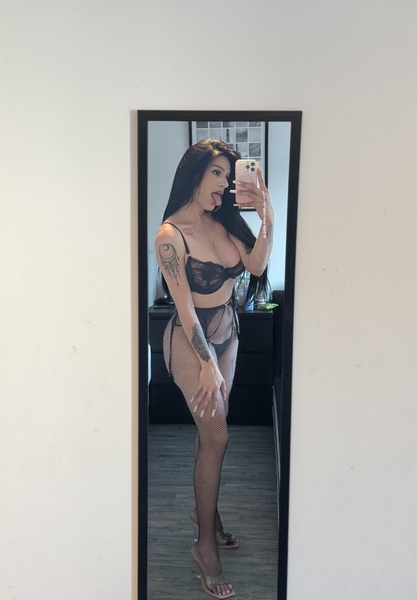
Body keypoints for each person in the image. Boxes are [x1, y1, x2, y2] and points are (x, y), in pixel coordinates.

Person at [155, 139, 273, 599]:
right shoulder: (171, 235)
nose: (224, 184)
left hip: (229, 333)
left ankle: (208, 514)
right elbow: (185, 309)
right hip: (191, 342)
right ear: (195, 173)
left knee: (210, 436)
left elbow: (256, 265)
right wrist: (207, 365)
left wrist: (266, 215)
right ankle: (205, 547)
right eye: (217, 174)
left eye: (229, 175)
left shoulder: (223, 221)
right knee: (218, 437)